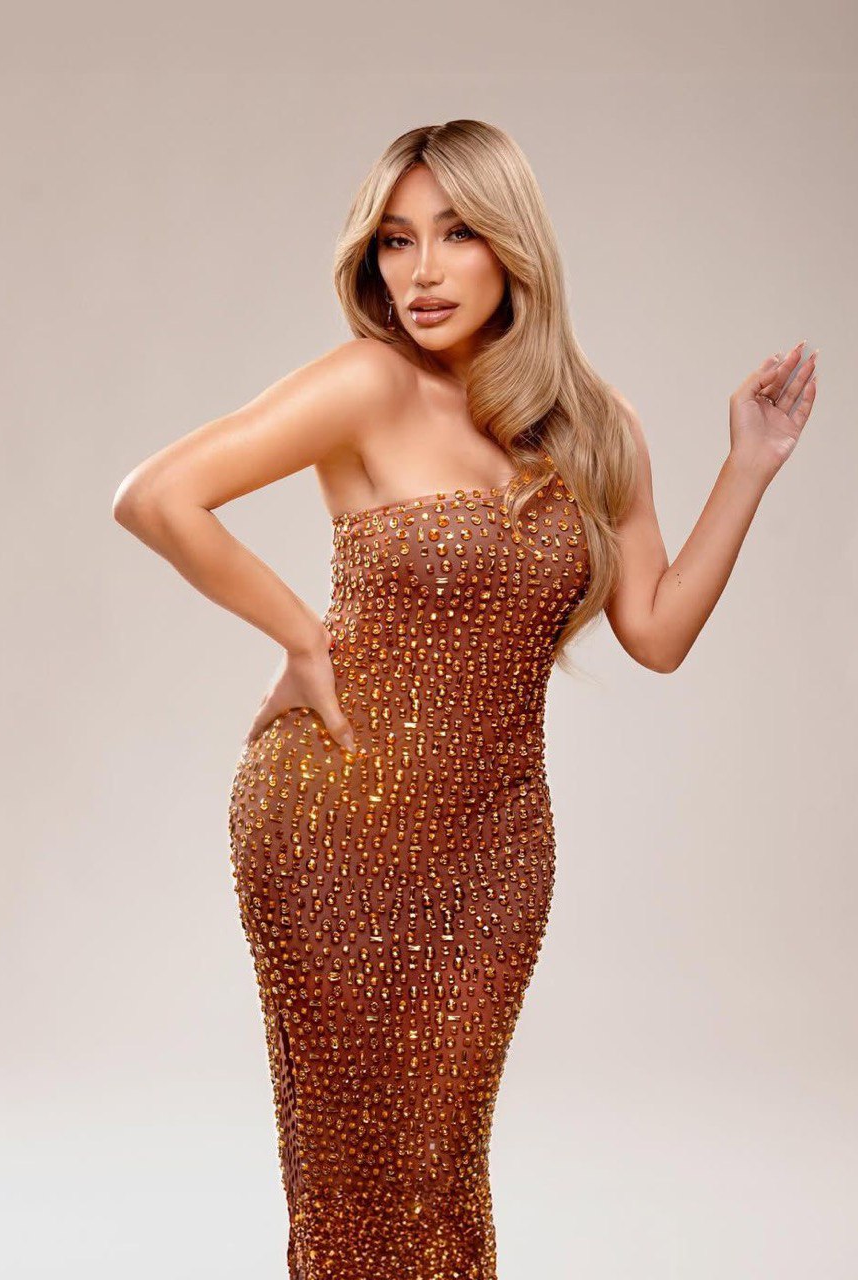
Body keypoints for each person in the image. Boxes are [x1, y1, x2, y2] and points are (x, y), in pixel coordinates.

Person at [112, 118, 818, 1280]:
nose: (421, 270)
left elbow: (655, 632)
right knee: (352, 1175)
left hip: (495, 847)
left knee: (440, 1165)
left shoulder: (597, 426)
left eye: (455, 234)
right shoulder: (367, 381)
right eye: (395, 241)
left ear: (513, 248)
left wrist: (748, 462)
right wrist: (301, 635)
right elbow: (156, 496)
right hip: (327, 823)